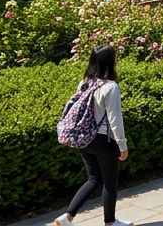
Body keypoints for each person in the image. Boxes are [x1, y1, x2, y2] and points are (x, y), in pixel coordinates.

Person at [53, 46, 132, 226]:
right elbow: (115, 120)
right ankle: (110, 223)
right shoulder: (110, 87)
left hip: (84, 138)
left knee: (93, 179)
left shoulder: (85, 82)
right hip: (104, 140)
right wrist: (123, 145)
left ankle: (67, 217)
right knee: (110, 183)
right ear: (110, 62)